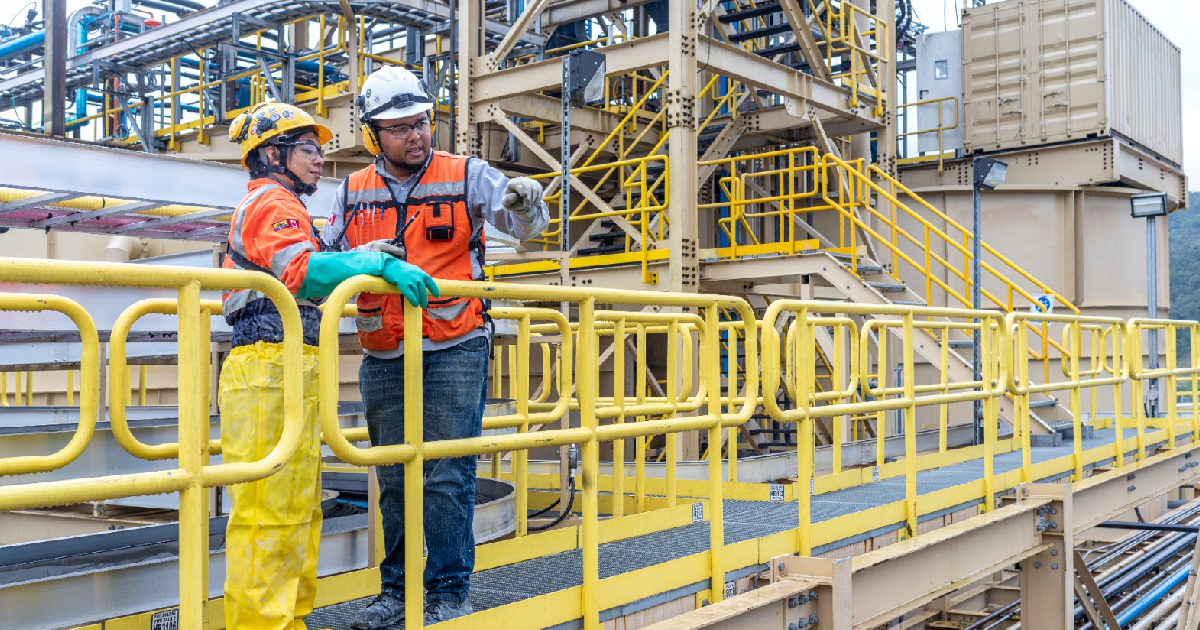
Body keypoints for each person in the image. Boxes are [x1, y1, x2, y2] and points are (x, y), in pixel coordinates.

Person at [321, 66, 549, 629]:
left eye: (422, 122)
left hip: (454, 345)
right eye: (400, 128)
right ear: (374, 135)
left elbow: (525, 227)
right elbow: (324, 255)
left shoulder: (465, 175)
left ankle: (448, 594)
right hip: (383, 351)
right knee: (394, 477)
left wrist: (527, 203)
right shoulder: (353, 191)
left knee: (447, 474)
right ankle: (396, 595)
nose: (416, 135)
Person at [220, 101, 438, 630]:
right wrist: (373, 261)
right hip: (267, 366)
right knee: (269, 509)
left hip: (285, 364)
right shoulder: (271, 202)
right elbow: (301, 273)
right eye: (307, 149)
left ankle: (288, 620)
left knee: (296, 504)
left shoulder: (287, 206)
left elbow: (304, 263)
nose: (320, 159)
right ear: (273, 155)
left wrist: (363, 253)